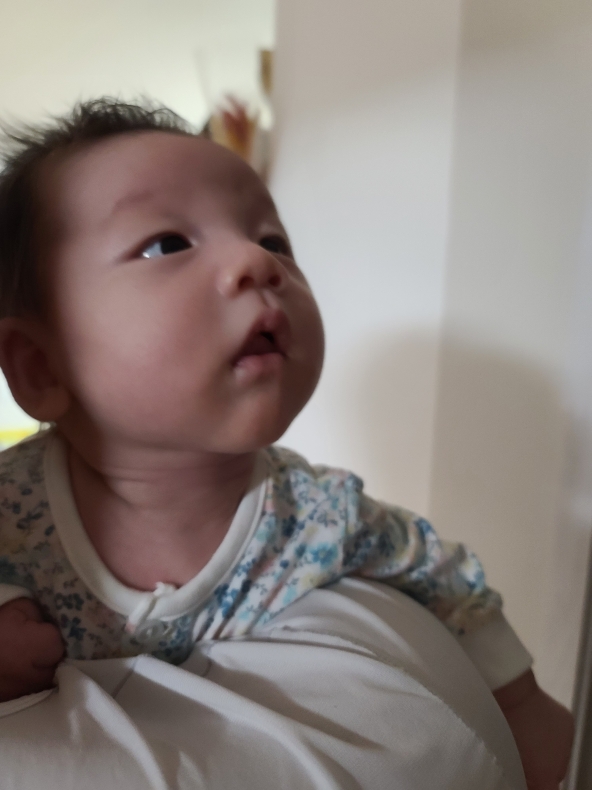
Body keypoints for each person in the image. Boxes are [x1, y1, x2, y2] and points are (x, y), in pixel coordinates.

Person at [0, 98, 573, 787]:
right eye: (167, 244)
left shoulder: (316, 516)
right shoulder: (11, 508)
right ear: (40, 366)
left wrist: (525, 712)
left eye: (274, 241)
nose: (256, 261)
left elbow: (447, 583)